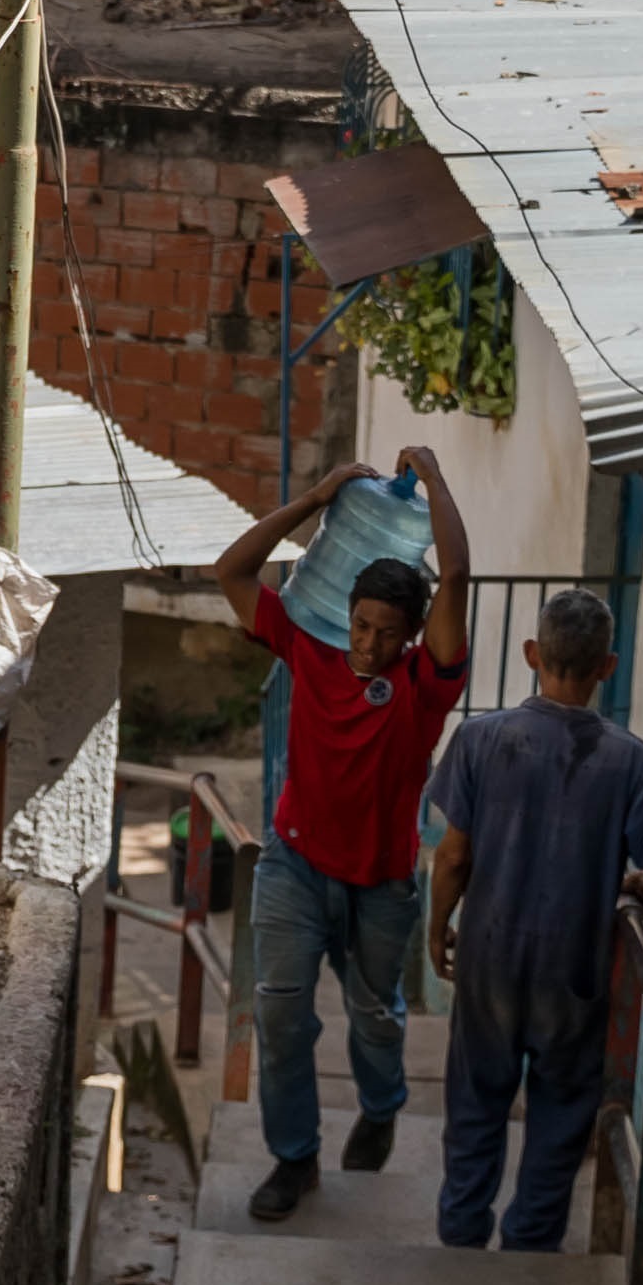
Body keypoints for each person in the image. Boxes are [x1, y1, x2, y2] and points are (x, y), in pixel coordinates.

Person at [209, 447, 471, 1223]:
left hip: (381, 885)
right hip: (293, 863)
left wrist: (437, 477)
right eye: (360, 624)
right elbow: (231, 572)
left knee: (375, 1015)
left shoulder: (427, 686)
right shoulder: (309, 645)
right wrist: (315, 498)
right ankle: (295, 1157)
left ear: (412, 636)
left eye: (387, 632)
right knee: (281, 1012)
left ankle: (383, 1103)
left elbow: (453, 578)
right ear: (345, 614)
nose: (367, 644)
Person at [421, 587, 643, 1252]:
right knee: (562, 1110)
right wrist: (639, 884)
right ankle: (530, 1248)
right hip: (575, 969)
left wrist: (436, 926)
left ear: (532, 652)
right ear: (608, 666)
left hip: (488, 955)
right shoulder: (631, 760)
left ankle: (460, 1234)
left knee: (476, 1101)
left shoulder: (480, 738)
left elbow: (453, 855)